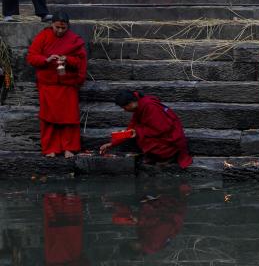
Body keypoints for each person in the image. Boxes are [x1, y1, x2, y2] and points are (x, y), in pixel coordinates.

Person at [26, 11, 86, 158]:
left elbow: (81, 60)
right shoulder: (43, 36)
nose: (59, 31)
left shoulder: (74, 40)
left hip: (67, 84)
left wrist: (68, 59)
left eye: (63, 28)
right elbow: (32, 57)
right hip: (48, 85)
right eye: (57, 27)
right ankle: (50, 148)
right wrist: (46, 60)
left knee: (70, 119)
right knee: (48, 119)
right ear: (51, 24)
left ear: (68, 26)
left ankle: (69, 148)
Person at [100, 90, 193, 168]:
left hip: (171, 138)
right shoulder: (139, 105)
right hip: (161, 133)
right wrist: (112, 143)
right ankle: (158, 156)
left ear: (131, 103)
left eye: (125, 107)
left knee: (142, 135)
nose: (125, 110)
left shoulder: (150, 106)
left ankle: (168, 157)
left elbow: (162, 129)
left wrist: (138, 131)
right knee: (138, 131)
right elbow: (131, 127)